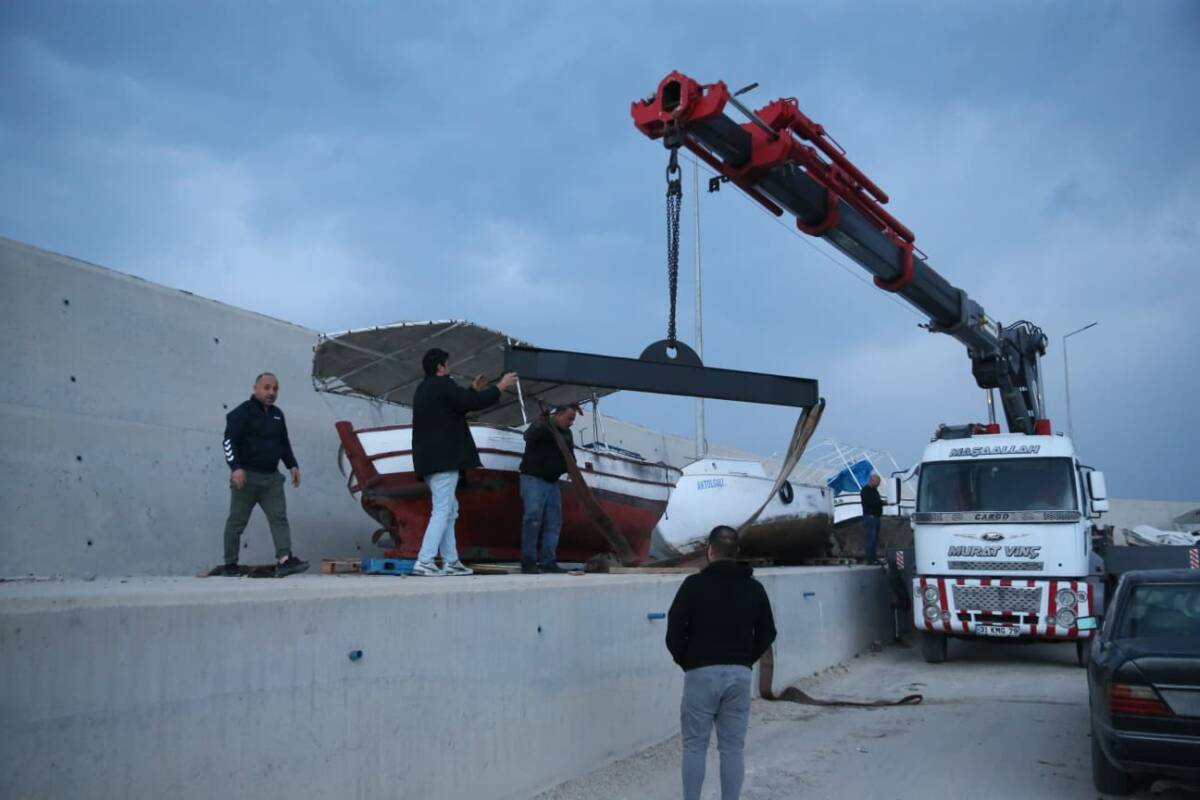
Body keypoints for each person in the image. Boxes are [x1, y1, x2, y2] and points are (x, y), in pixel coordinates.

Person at [666, 526, 777, 800]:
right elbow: (768, 633)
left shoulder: (693, 586)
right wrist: (745, 660)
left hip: (700, 674)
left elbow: (674, 632)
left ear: (710, 552)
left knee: (694, 746)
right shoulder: (754, 588)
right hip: (739, 676)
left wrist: (688, 661)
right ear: (736, 552)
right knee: (732, 748)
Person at [411, 347, 517, 577]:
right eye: (448, 364)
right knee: (443, 510)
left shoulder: (424, 388)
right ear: (440, 367)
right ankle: (425, 561)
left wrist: (472, 389)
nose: (449, 368)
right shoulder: (442, 384)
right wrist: (500, 386)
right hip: (444, 460)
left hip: (429, 462)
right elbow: (472, 403)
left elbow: (461, 401)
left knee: (449, 510)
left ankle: (451, 561)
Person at [221, 372, 309, 578]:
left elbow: (283, 442)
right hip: (246, 478)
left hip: (271, 480)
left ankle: (285, 560)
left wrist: (292, 465)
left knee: (279, 518)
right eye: (267, 388)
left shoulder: (278, 415)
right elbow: (228, 441)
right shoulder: (242, 412)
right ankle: (230, 564)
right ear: (256, 389)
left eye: (275, 389)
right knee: (236, 522)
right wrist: (235, 468)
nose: (271, 392)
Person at [518, 404, 580, 574]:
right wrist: (539, 422)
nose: (571, 422)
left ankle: (548, 561)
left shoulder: (567, 433)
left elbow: (570, 455)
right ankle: (529, 562)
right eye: (569, 418)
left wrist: (572, 470)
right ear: (558, 414)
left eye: (573, 419)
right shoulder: (543, 426)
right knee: (533, 519)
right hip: (533, 478)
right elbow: (528, 436)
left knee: (553, 522)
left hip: (552, 482)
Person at [860, 473, 885, 564]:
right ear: (872, 480)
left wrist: (881, 502)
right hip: (870, 517)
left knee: (874, 539)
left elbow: (876, 501)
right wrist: (882, 503)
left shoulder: (874, 490)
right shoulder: (866, 490)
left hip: (876, 517)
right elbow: (871, 502)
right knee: (870, 539)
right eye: (878, 482)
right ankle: (870, 559)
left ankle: (874, 558)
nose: (879, 484)